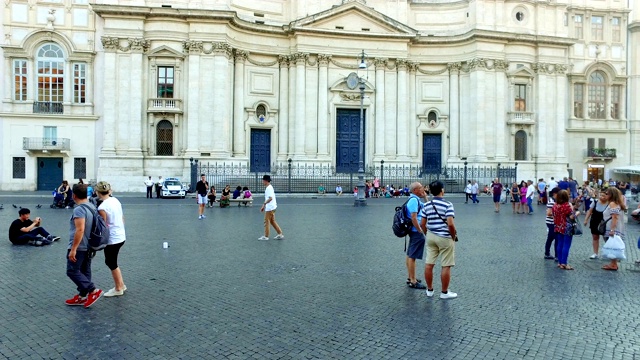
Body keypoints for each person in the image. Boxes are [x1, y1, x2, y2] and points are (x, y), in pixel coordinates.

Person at [65, 184, 103, 308]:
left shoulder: (79, 209)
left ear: (74, 195)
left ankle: (93, 291)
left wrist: (73, 249)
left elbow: (80, 230)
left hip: (80, 245)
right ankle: (82, 296)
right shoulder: (91, 206)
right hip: (89, 244)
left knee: (72, 270)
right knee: (84, 270)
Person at [420, 180, 458, 299]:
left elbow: (422, 223)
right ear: (442, 190)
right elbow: (450, 224)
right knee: (446, 265)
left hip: (431, 236)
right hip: (445, 237)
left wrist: (427, 234)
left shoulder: (426, 205)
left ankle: (430, 290)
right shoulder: (448, 205)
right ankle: (444, 292)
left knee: (429, 264)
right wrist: (453, 235)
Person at [96, 181, 127, 297]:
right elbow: (122, 217)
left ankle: (118, 288)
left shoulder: (102, 207)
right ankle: (121, 284)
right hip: (120, 235)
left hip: (112, 238)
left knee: (111, 262)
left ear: (98, 192)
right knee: (112, 261)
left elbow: (104, 225)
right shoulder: (115, 200)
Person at [404, 182, 427, 289]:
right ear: (415, 190)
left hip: (413, 230)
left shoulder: (416, 200)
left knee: (410, 254)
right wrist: (419, 230)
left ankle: (410, 277)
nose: (423, 189)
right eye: (420, 187)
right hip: (415, 231)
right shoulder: (413, 200)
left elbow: (428, 207)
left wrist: (425, 197)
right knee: (412, 256)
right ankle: (413, 280)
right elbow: (413, 217)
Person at [601, 187, 626, 271]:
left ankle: (613, 264)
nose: (605, 195)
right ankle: (613, 263)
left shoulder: (613, 203)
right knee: (613, 245)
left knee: (612, 246)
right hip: (617, 228)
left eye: (607, 194)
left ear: (612, 195)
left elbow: (614, 217)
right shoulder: (618, 203)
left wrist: (612, 230)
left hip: (611, 228)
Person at [552, 190, 579, 270]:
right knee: (566, 245)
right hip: (566, 227)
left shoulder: (555, 205)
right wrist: (577, 213)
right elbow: (571, 216)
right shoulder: (566, 205)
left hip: (558, 226)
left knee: (559, 244)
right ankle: (564, 263)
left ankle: (560, 262)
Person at [583, 190, 608, 259]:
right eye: (601, 195)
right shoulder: (595, 202)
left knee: (606, 237)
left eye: (604, 196)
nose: (602, 197)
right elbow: (590, 211)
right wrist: (586, 220)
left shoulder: (609, 203)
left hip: (604, 223)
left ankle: (607, 253)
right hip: (594, 221)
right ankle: (595, 253)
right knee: (595, 237)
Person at [259, 175, 284, 241]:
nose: (262, 182)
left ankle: (266, 236)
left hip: (270, 208)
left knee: (266, 221)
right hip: (272, 206)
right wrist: (263, 206)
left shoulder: (268, 188)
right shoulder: (269, 187)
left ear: (266, 181)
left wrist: (264, 204)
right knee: (272, 221)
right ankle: (280, 234)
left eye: (263, 180)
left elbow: (270, 198)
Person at [544, 187, 560, 260]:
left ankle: (547, 253)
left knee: (551, 238)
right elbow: (548, 213)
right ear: (555, 194)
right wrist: (558, 214)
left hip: (554, 222)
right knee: (555, 238)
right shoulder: (551, 201)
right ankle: (556, 255)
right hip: (551, 222)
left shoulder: (556, 201)